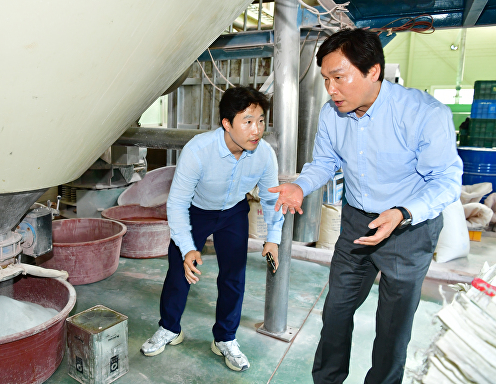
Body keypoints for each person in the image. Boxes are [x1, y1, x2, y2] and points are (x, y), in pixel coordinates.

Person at [270, 28, 462, 383]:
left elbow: (446, 181)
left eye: (339, 78)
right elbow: (325, 162)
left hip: (409, 229)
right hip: (358, 223)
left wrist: (403, 213)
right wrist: (300, 186)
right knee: (336, 313)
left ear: (372, 70)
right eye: (326, 79)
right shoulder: (333, 114)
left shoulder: (423, 113)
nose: (331, 89)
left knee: (392, 327)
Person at [141, 86, 284, 372]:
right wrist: (188, 248)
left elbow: (271, 197)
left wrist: (273, 238)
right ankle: (170, 328)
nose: (256, 130)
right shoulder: (199, 149)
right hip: (196, 211)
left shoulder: (264, 153)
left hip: (233, 213)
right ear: (227, 124)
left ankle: (225, 339)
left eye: (260, 121)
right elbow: (178, 202)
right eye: (247, 121)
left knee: (233, 276)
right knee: (180, 270)